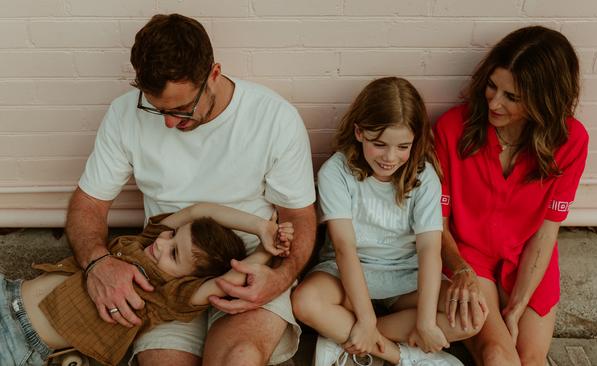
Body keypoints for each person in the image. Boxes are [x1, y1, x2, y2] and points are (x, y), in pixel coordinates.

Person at [64, 13, 317, 366]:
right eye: (157, 109)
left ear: (213, 74)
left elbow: (300, 216)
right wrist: (98, 262)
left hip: (249, 270)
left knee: (240, 357)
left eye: (182, 109)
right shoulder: (123, 114)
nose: (168, 122)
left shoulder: (273, 118)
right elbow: (89, 202)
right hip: (163, 274)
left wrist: (281, 277)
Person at [292, 77, 481, 366]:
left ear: (415, 140)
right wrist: (365, 318)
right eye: (379, 144)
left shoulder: (424, 175)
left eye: (403, 146)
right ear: (359, 132)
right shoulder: (336, 172)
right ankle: (401, 355)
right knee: (305, 301)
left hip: (406, 277)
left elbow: (429, 249)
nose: (390, 158)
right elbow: (344, 248)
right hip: (347, 276)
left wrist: (427, 322)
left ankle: (343, 338)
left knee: (471, 318)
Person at [433, 26, 589, 365]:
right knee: (497, 355)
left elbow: (548, 230)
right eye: (492, 86)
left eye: (512, 97)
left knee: (530, 359)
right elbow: (437, 223)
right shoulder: (451, 128)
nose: (494, 101)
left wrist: (517, 307)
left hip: (526, 256)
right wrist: (460, 271)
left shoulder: (571, 140)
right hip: (469, 257)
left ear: (544, 99)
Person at [0, 203, 293, 366]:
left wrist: (267, 250)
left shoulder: (170, 295)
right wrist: (259, 226)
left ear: (191, 279)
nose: (162, 245)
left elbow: (228, 283)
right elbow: (196, 211)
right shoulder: (145, 242)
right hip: (8, 290)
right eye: (172, 235)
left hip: (19, 341)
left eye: (175, 254)